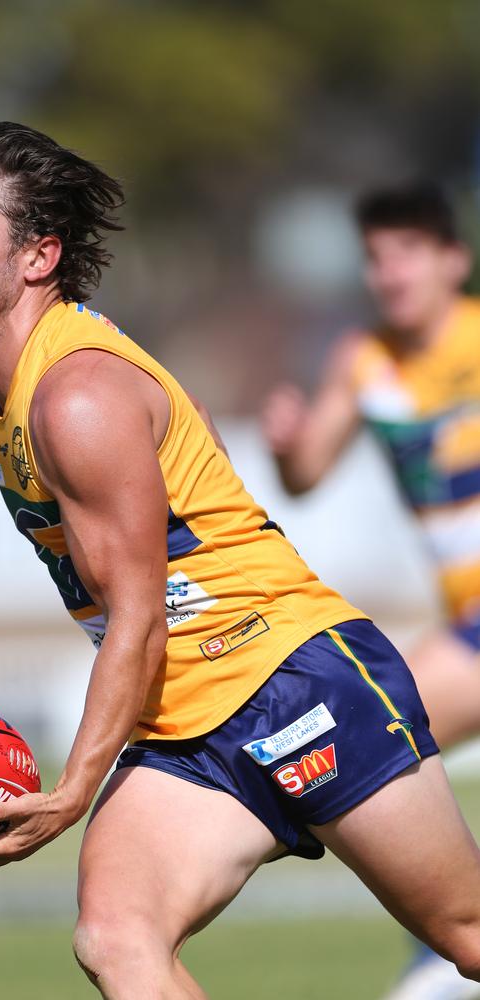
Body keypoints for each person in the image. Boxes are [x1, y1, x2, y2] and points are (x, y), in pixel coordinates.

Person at [0, 126, 480, 1000]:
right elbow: (198, 442)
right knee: (116, 938)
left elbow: (135, 616)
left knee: (465, 933)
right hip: (186, 725)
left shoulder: (77, 394)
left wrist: (72, 791)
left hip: (295, 679)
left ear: (39, 257)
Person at [262, 180, 480, 1000]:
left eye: (409, 253)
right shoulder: (365, 359)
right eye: (377, 258)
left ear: (453, 260)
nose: (390, 274)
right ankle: (451, 946)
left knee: (381, 742)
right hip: (466, 622)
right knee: (386, 752)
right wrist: (286, 444)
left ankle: (445, 959)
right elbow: (307, 472)